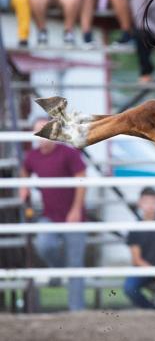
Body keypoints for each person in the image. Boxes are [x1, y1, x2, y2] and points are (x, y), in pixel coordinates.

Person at [19, 118, 87, 312]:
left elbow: (82, 179)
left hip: (74, 216)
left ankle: (77, 310)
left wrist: (75, 209)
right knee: (44, 245)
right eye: (37, 131)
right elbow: (25, 170)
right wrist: (24, 185)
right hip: (50, 214)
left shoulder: (68, 153)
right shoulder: (32, 156)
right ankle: (59, 269)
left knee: (76, 263)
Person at [124, 187, 155, 310]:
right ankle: (153, 312)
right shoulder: (135, 228)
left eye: (153, 202)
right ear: (140, 203)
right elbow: (136, 259)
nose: (150, 206)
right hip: (145, 269)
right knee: (129, 288)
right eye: (146, 202)